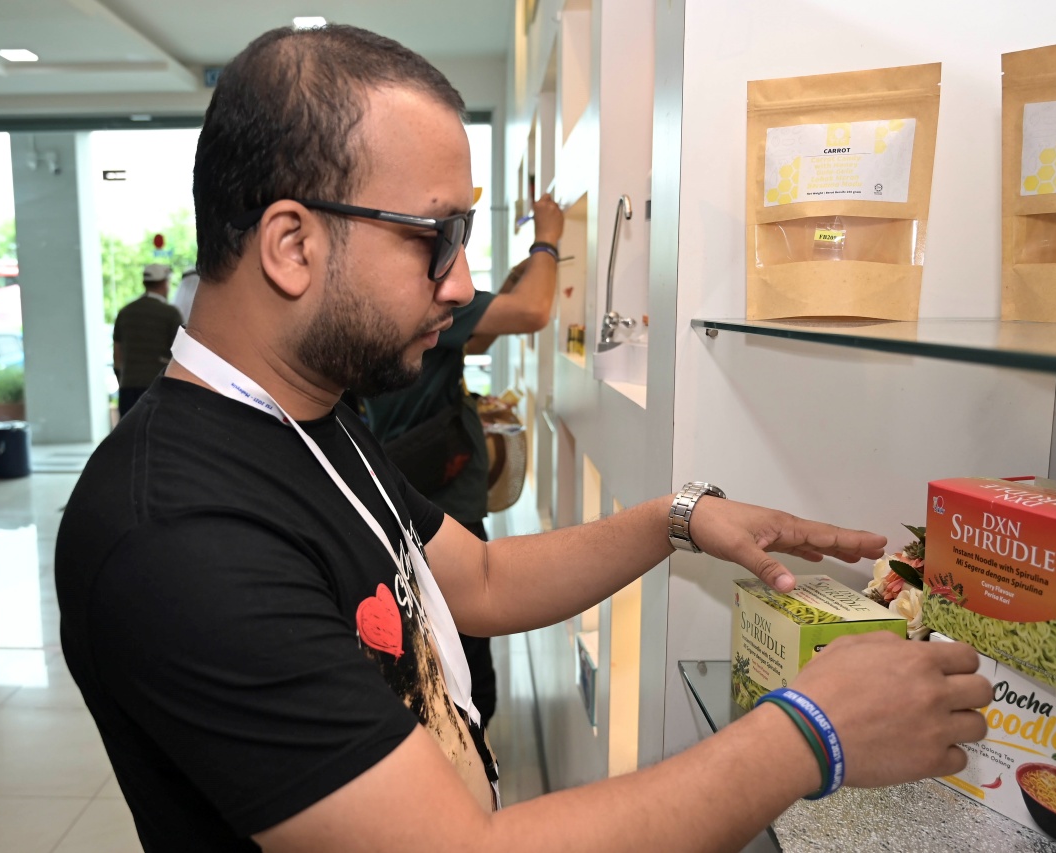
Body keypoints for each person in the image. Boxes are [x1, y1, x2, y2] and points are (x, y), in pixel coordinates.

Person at [56, 24, 990, 853]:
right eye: (436, 236)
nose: (463, 284)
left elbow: (480, 579)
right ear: (292, 245)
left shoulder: (308, 415)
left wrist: (676, 519)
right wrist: (810, 733)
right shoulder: (176, 535)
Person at [361, 192, 565, 726]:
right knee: (467, 642)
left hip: (406, 479)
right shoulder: (426, 284)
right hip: (442, 493)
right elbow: (534, 312)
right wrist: (547, 240)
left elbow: (469, 344)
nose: (461, 286)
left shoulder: (391, 294)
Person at [112, 263, 184, 418]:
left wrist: (121, 378)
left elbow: (117, 352)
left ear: (145, 283)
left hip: (128, 386)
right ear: (165, 283)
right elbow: (180, 352)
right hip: (159, 388)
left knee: (130, 432)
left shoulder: (125, 312)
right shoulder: (170, 313)